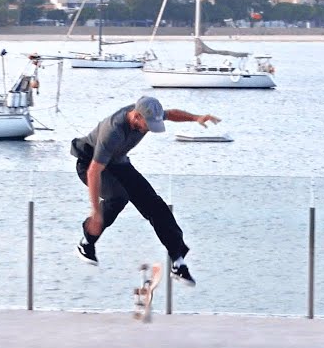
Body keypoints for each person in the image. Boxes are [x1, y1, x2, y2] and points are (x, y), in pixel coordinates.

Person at [70, 96, 220, 286]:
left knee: (155, 205)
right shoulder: (113, 130)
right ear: (136, 116)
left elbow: (171, 114)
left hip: (117, 162)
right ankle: (87, 242)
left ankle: (178, 261)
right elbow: (93, 172)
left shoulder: (149, 111)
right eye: (148, 125)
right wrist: (96, 212)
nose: (149, 128)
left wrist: (196, 117)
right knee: (118, 197)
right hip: (89, 162)